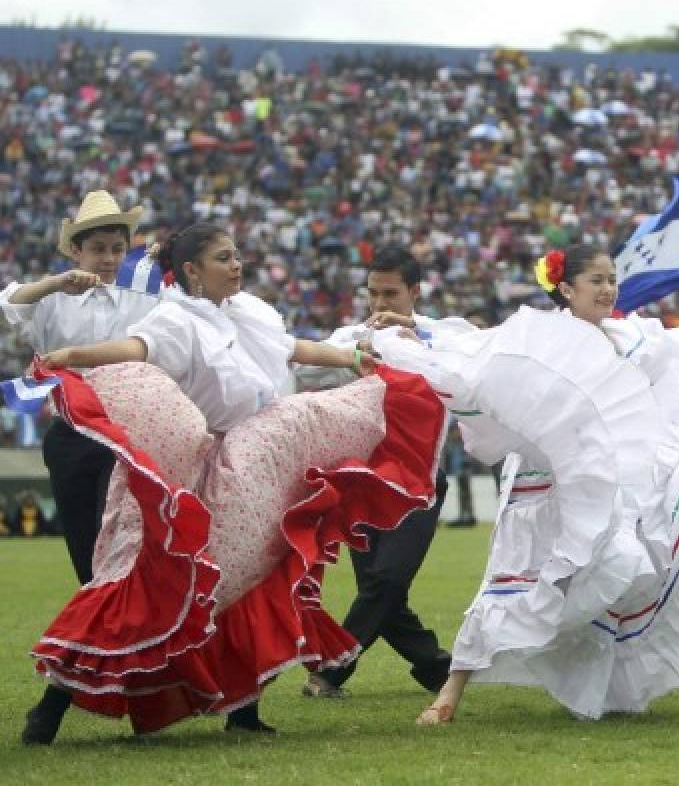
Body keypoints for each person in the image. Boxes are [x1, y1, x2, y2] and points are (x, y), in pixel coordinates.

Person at [20, 223, 446, 744]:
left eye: (236, 255)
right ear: (193, 271)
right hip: (191, 474)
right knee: (141, 582)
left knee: (257, 579)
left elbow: (291, 348)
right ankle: (52, 705)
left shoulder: (246, 313)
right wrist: (71, 357)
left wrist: (353, 358)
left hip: (248, 465)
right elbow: (135, 347)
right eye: (224, 257)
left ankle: (243, 711)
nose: (237, 264)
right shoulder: (177, 319)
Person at [377, 244, 679, 724]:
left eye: (612, 280)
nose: (608, 290)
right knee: (509, 574)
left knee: (619, 566)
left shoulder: (631, 336)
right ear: (567, 289)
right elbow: (476, 348)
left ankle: (603, 687)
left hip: (607, 488)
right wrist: (417, 331)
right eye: (597, 281)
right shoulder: (539, 336)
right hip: (540, 484)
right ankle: (448, 696)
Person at [296, 249, 473, 699]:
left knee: (388, 581)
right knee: (381, 587)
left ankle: (331, 671)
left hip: (421, 480)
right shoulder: (352, 336)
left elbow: (478, 354)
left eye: (390, 293)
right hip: (363, 480)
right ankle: (436, 668)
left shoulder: (440, 335)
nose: (379, 303)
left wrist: (418, 343)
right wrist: (354, 354)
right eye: (372, 292)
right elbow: (305, 371)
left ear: (415, 292)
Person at [0, 190, 158, 583]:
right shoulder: (53, 298)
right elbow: (8, 304)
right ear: (76, 250)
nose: (108, 259)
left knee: (122, 535)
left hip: (126, 430)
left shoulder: (142, 297)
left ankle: (124, 620)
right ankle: (98, 620)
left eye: (117, 249)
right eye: (98, 249)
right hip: (71, 431)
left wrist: (164, 263)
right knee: (82, 539)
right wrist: (57, 283)